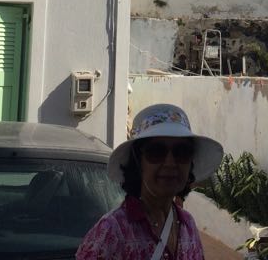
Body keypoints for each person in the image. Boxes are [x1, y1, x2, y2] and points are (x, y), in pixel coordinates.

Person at [77, 103, 224, 260]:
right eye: (156, 151)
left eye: (181, 152)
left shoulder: (188, 225)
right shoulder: (112, 232)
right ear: (138, 162)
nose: (170, 163)